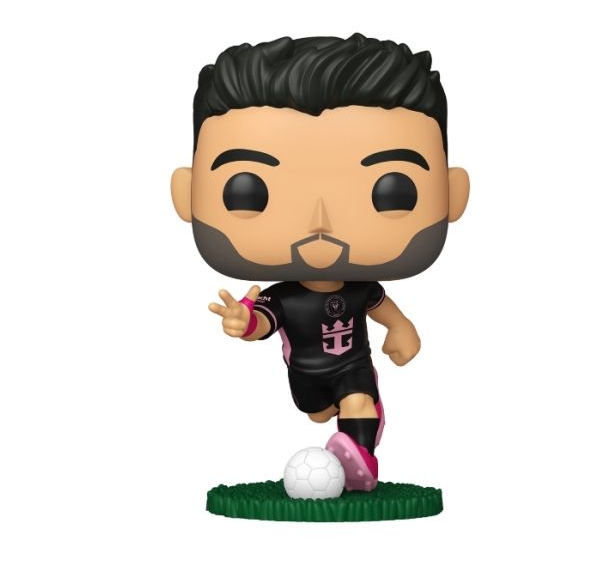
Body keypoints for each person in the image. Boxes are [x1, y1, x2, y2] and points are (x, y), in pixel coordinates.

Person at [171, 33, 469, 491]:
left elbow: (381, 306)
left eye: (392, 190)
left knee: (357, 400)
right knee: (316, 411)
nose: (320, 223)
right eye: (248, 191)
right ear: (186, 195)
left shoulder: (359, 288)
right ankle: (341, 421)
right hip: (306, 376)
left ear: (453, 194)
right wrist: (244, 321)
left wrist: (402, 327)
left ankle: (363, 460)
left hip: (353, 364)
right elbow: (264, 321)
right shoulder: (284, 296)